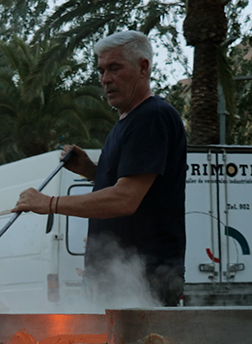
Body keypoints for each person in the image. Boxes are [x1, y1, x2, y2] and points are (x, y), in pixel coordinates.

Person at [12, 30, 187, 306]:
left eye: (115, 68)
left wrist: (49, 203)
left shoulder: (151, 117)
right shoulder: (128, 121)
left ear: (143, 68)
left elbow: (125, 199)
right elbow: (138, 189)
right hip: (116, 276)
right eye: (101, 71)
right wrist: (91, 171)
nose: (105, 79)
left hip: (142, 278)